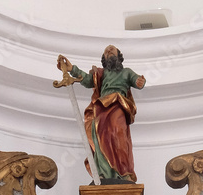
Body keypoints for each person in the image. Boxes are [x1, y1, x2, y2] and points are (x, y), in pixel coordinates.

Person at [57, 45, 146, 183]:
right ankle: (104, 172)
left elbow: (136, 80)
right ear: (103, 58)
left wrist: (140, 81)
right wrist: (72, 69)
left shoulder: (126, 72)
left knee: (118, 135)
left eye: (112, 50)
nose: (109, 51)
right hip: (101, 108)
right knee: (99, 138)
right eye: (106, 52)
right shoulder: (102, 73)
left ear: (119, 55)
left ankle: (123, 173)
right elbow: (87, 80)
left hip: (118, 105)